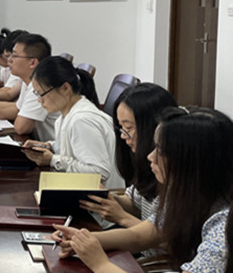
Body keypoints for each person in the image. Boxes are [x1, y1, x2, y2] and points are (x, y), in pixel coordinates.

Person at [53, 107, 233, 273]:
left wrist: (101, 264)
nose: (150, 156)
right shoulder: (187, 197)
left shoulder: (223, 227)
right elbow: (138, 236)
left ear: (191, 163)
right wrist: (84, 239)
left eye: (161, 151)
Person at [78, 83, 177, 229]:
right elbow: (136, 203)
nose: (123, 136)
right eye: (121, 127)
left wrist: (121, 217)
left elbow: (163, 237)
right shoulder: (146, 162)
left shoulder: (172, 173)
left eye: (128, 127)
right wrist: (103, 197)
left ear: (152, 126)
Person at [22, 56, 123, 189]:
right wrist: (48, 146)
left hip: (102, 198)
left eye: (42, 94)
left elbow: (99, 172)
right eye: (37, 94)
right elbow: (72, 147)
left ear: (65, 88)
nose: (39, 100)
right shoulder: (66, 115)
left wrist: (53, 160)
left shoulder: (81, 120)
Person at [0, 33, 59, 140]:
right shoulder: (28, 81)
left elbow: (21, 128)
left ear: (32, 63)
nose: (9, 60)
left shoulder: (41, 86)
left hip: (52, 147)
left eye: (14, 55)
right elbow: (16, 108)